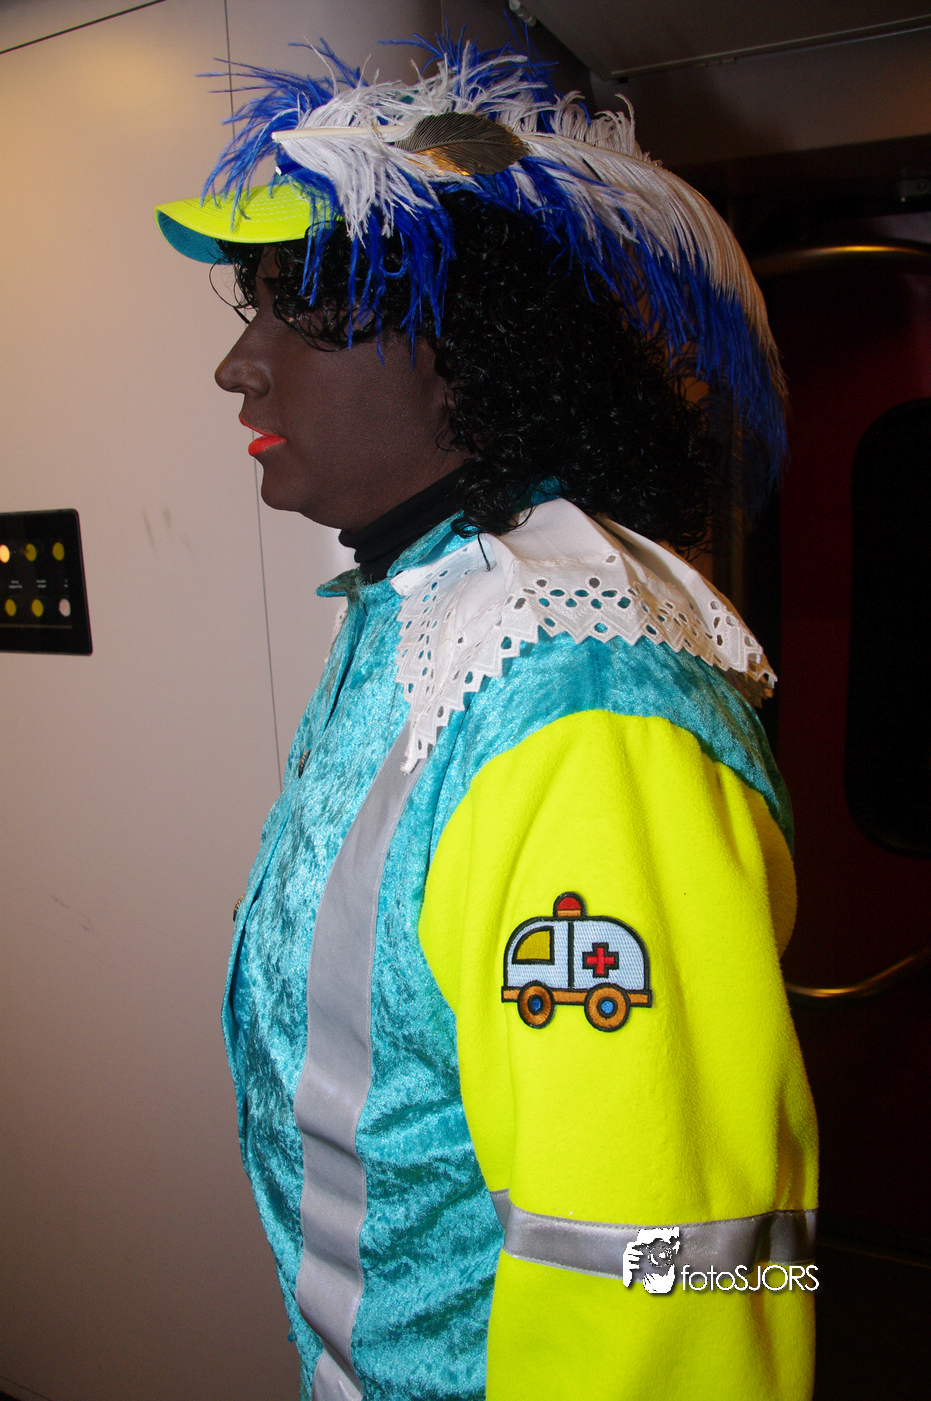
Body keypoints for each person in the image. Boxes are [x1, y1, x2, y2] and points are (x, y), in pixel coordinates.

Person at [156, 35, 818, 1401]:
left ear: (485, 349)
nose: (238, 365)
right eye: (251, 303)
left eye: (305, 308)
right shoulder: (428, 610)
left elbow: (674, 1267)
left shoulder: (584, 718)